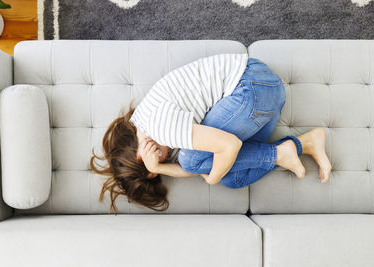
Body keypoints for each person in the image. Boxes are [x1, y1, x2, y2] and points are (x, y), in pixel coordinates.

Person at [90, 54, 332, 214]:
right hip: (264, 96)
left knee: (195, 160)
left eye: (158, 162)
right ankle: (303, 144)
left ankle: (282, 152)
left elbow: (225, 148)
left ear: (142, 156)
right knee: (232, 178)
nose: (164, 159)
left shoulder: (158, 126)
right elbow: (196, 168)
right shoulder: (145, 124)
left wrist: (212, 178)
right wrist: (163, 168)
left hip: (252, 87)